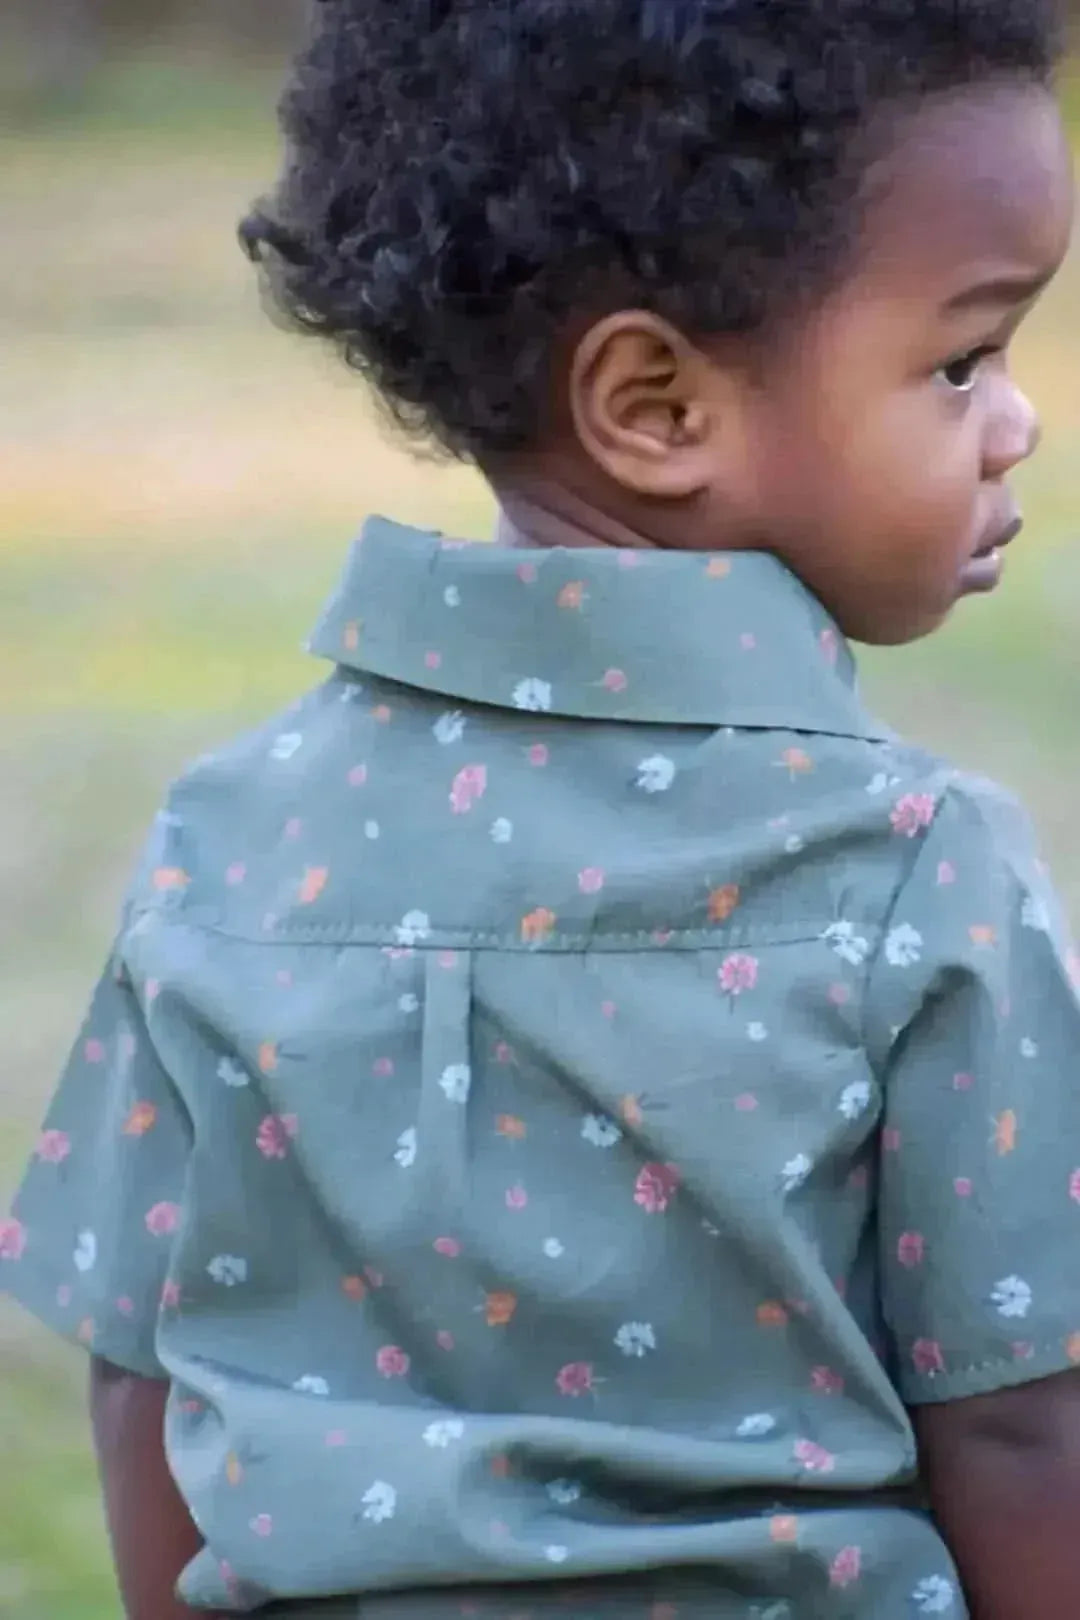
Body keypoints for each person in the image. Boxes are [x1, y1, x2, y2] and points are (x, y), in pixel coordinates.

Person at [3, 1, 1079, 1616]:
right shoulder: (913, 870)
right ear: (654, 407)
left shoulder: (228, 838)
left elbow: (144, 1365)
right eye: (962, 358)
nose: (1018, 421)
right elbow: (1021, 1418)